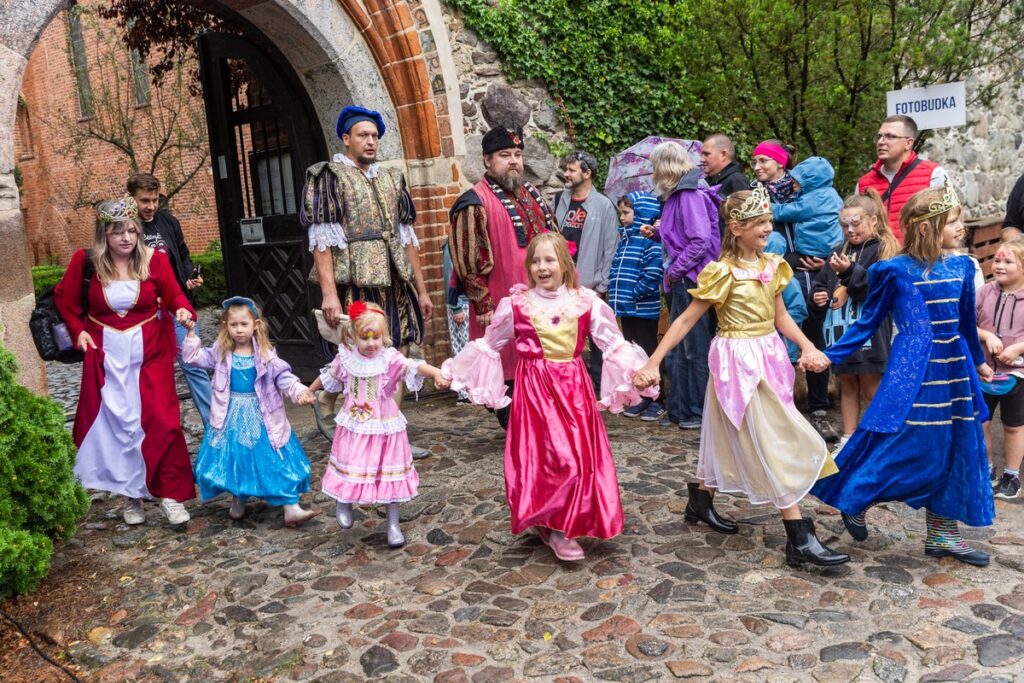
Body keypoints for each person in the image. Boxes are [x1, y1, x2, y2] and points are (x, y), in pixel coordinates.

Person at [633, 187, 849, 568]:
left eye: (769, 221)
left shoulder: (773, 266)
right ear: (736, 228)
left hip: (769, 357)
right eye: (759, 222)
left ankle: (701, 500)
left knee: (729, 434)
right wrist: (653, 362)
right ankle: (799, 536)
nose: (768, 227)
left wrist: (807, 346)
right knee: (770, 440)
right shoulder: (722, 272)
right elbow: (685, 320)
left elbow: (780, 316)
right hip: (736, 364)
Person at [807, 183, 995, 566]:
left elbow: (964, 324)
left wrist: (978, 362)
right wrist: (829, 355)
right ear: (927, 227)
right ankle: (858, 497)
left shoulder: (961, 267)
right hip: (913, 371)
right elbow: (866, 322)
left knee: (955, 445)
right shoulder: (892, 271)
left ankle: (942, 534)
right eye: (952, 221)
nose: (961, 228)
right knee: (907, 443)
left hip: (954, 370)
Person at [443, 233, 655, 561]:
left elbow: (612, 343)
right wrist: (455, 373)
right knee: (547, 457)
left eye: (549, 260)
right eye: (536, 261)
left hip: (573, 390)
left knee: (576, 457)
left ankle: (564, 518)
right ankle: (554, 526)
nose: (542, 267)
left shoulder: (586, 302)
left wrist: (636, 372)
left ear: (565, 264)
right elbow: (489, 344)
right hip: (535, 391)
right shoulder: (517, 304)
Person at [300, 105, 434, 458]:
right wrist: (329, 294)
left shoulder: (392, 178)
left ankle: (391, 431)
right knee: (355, 354)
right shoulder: (328, 176)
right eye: (363, 135)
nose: (371, 141)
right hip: (356, 281)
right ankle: (336, 409)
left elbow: (407, 239)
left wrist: (421, 289)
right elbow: (322, 240)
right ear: (346, 139)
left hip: (395, 280)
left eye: (374, 135)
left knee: (398, 349)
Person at [54, 196, 196, 526]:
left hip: (150, 354)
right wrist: (78, 332)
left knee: (163, 421)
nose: (126, 238)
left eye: (132, 231)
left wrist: (182, 310)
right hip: (106, 359)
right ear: (104, 233)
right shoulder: (86, 262)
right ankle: (132, 497)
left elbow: (174, 294)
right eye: (118, 232)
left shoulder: (154, 260)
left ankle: (170, 496)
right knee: (121, 428)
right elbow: (65, 298)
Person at [306, 301, 449, 549]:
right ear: (353, 336)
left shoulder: (389, 358)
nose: (371, 343)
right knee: (351, 463)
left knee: (389, 471)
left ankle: (393, 523)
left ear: (384, 336)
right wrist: (309, 391)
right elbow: (328, 375)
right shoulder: (346, 358)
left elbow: (414, 366)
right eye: (365, 337)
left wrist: (436, 373)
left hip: (385, 426)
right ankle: (343, 500)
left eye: (377, 337)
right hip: (355, 427)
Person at [448, 126, 557, 427]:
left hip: (541, 303)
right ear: (487, 160)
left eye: (518, 155)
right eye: (504, 155)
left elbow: (555, 243)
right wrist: (483, 304)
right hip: (500, 305)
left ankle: (539, 430)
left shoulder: (532, 194)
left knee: (543, 368)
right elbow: (468, 259)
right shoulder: (474, 201)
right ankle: (519, 433)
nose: (513, 161)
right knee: (509, 377)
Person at [181, 297, 320, 526]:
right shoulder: (221, 352)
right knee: (236, 458)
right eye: (233, 325)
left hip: (262, 415)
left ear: (255, 325)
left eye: (244, 324)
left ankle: (291, 506)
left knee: (274, 458)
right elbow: (193, 358)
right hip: (230, 416)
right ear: (226, 326)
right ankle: (238, 499)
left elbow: (283, 377)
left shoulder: (265, 354)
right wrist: (190, 334)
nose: (239, 329)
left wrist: (300, 391)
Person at [753, 139, 839, 442]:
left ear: (781, 163)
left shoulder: (806, 191)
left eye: (763, 161)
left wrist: (826, 260)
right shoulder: (755, 195)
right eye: (755, 162)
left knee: (814, 339)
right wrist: (792, 259)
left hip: (815, 278)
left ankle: (819, 410)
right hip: (778, 277)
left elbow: (832, 229)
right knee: (778, 342)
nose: (758, 167)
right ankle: (780, 412)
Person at [810, 189, 899, 452]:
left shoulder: (884, 251)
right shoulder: (838, 251)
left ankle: (879, 441)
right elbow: (822, 283)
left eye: (856, 223)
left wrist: (849, 271)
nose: (850, 230)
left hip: (870, 333)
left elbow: (876, 289)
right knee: (847, 385)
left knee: (871, 387)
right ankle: (849, 440)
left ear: (873, 220)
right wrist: (817, 296)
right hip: (840, 332)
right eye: (844, 224)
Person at [128, 173, 212, 425]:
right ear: (131, 199)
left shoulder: (169, 222)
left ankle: (216, 428)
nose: (151, 206)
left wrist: (189, 275)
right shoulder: (125, 229)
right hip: (144, 313)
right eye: (144, 200)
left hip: (177, 308)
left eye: (155, 200)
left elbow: (182, 255)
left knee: (195, 366)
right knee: (150, 372)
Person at [651, 141, 720, 429]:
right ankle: (679, 410)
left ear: (665, 166)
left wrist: (675, 271)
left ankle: (697, 411)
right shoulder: (677, 195)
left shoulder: (690, 194)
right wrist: (657, 234)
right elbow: (681, 237)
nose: (653, 172)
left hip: (691, 278)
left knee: (694, 347)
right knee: (679, 347)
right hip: (682, 277)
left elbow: (700, 240)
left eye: (655, 166)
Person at [552, 150, 621, 387]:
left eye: (572, 170)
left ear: (587, 173)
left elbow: (611, 247)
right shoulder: (559, 200)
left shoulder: (604, 205)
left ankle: (601, 385)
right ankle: (567, 382)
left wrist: (602, 285)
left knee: (598, 338)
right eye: (567, 169)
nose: (566, 173)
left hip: (590, 285)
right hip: (561, 284)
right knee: (562, 336)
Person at [609, 192, 666, 421]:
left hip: (642, 308)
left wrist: (634, 294)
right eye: (620, 213)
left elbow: (653, 273)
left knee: (648, 352)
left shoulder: (649, 241)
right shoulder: (626, 239)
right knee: (633, 355)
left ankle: (657, 398)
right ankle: (641, 395)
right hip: (626, 307)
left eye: (626, 213)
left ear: (642, 214)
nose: (622, 217)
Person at [976, 240, 1024, 500]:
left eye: (1008, 261)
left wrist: (1017, 348)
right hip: (983, 371)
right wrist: (986, 336)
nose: (1000, 266)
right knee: (981, 422)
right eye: (996, 260)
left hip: (1017, 375)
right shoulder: (984, 292)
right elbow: (967, 325)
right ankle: (986, 470)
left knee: (1013, 426)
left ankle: (1011, 476)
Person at [857, 115, 948, 240]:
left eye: (890, 136)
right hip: (877, 252)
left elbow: (947, 223)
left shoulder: (934, 175)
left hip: (917, 252)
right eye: (879, 137)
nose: (881, 142)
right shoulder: (864, 183)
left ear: (908, 143)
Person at [701, 134, 750, 234]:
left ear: (723, 155)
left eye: (707, 154)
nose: (702, 159)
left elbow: (746, 220)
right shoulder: (708, 181)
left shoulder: (736, 180)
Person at [442, 240, 470, 402]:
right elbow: (450, 276)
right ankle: (464, 393)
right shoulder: (452, 244)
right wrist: (456, 306)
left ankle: (473, 391)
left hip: (470, 302)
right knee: (463, 350)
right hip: (460, 303)